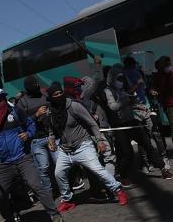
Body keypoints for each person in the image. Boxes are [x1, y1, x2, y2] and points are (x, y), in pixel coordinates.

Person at [0, 87, 64, 222]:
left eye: (4, 98)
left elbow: (30, 123)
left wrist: (28, 134)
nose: (2, 102)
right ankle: (9, 219)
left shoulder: (15, 112)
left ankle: (55, 215)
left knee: (36, 185)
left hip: (23, 158)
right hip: (5, 164)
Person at [43, 82, 127, 212]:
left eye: (60, 93)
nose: (59, 96)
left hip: (83, 145)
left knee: (98, 170)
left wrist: (99, 140)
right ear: (51, 97)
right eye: (55, 95)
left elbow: (92, 123)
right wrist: (51, 140)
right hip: (65, 150)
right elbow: (52, 129)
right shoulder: (51, 111)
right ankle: (67, 200)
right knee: (58, 173)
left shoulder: (74, 106)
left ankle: (118, 190)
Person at [104, 65, 173, 182]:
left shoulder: (121, 89)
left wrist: (132, 101)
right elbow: (113, 106)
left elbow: (127, 100)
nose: (121, 81)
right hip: (120, 125)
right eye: (118, 79)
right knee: (127, 152)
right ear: (112, 79)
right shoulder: (107, 90)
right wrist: (125, 101)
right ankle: (123, 175)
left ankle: (163, 168)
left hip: (131, 121)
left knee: (147, 144)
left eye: (122, 79)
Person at [16, 75, 54, 191]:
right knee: (43, 167)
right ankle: (48, 191)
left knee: (58, 164)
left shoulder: (45, 96)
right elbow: (21, 124)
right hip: (36, 139)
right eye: (34, 85)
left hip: (51, 135)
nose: (37, 86)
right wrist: (36, 115)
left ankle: (62, 188)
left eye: (38, 84)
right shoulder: (22, 103)